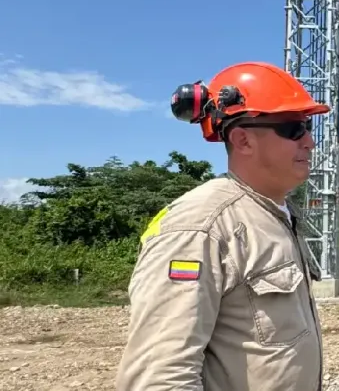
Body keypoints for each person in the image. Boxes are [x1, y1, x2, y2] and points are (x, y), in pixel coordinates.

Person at [115, 62, 328, 391]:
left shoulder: (277, 214)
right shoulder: (200, 228)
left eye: (308, 125)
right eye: (294, 128)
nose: (310, 141)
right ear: (243, 140)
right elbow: (160, 377)